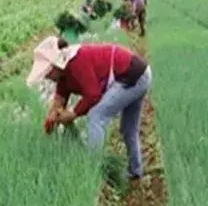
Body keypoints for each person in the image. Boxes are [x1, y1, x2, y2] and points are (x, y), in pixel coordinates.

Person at [26, 36, 152, 182]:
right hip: (139, 73)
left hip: (131, 75)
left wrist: (73, 114)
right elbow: (60, 97)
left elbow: (93, 95)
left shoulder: (75, 62)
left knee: (96, 116)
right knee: (128, 129)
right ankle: (135, 172)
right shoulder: (64, 73)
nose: (47, 77)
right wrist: (52, 117)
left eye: (48, 72)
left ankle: (92, 171)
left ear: (55, 64)